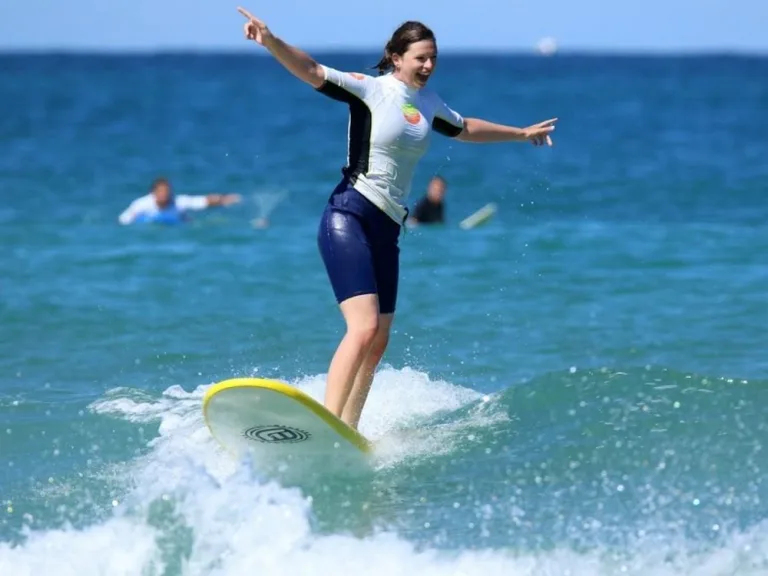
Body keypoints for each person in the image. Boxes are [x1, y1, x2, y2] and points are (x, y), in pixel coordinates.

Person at [237, 7, 557, 429]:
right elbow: (312, 69)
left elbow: (466, 128)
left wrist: (521, 133)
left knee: (379, 340)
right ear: (396, 56)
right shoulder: (369, 89)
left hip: (388, 228)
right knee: (364, 327)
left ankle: (348, 430)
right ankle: (327, 423)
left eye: (433, 59)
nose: (427, 65)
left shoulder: (428, 103)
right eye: (420, 57)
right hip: (349, 215)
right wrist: (271, 41)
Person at [118, 177, 241, 225]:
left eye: (166, 192)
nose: (164, 195)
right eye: (160, 192)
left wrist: (225, 200)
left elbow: (202, 201)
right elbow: (124, 219)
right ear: (153, 193)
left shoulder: (178, 201)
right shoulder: (142, 204)